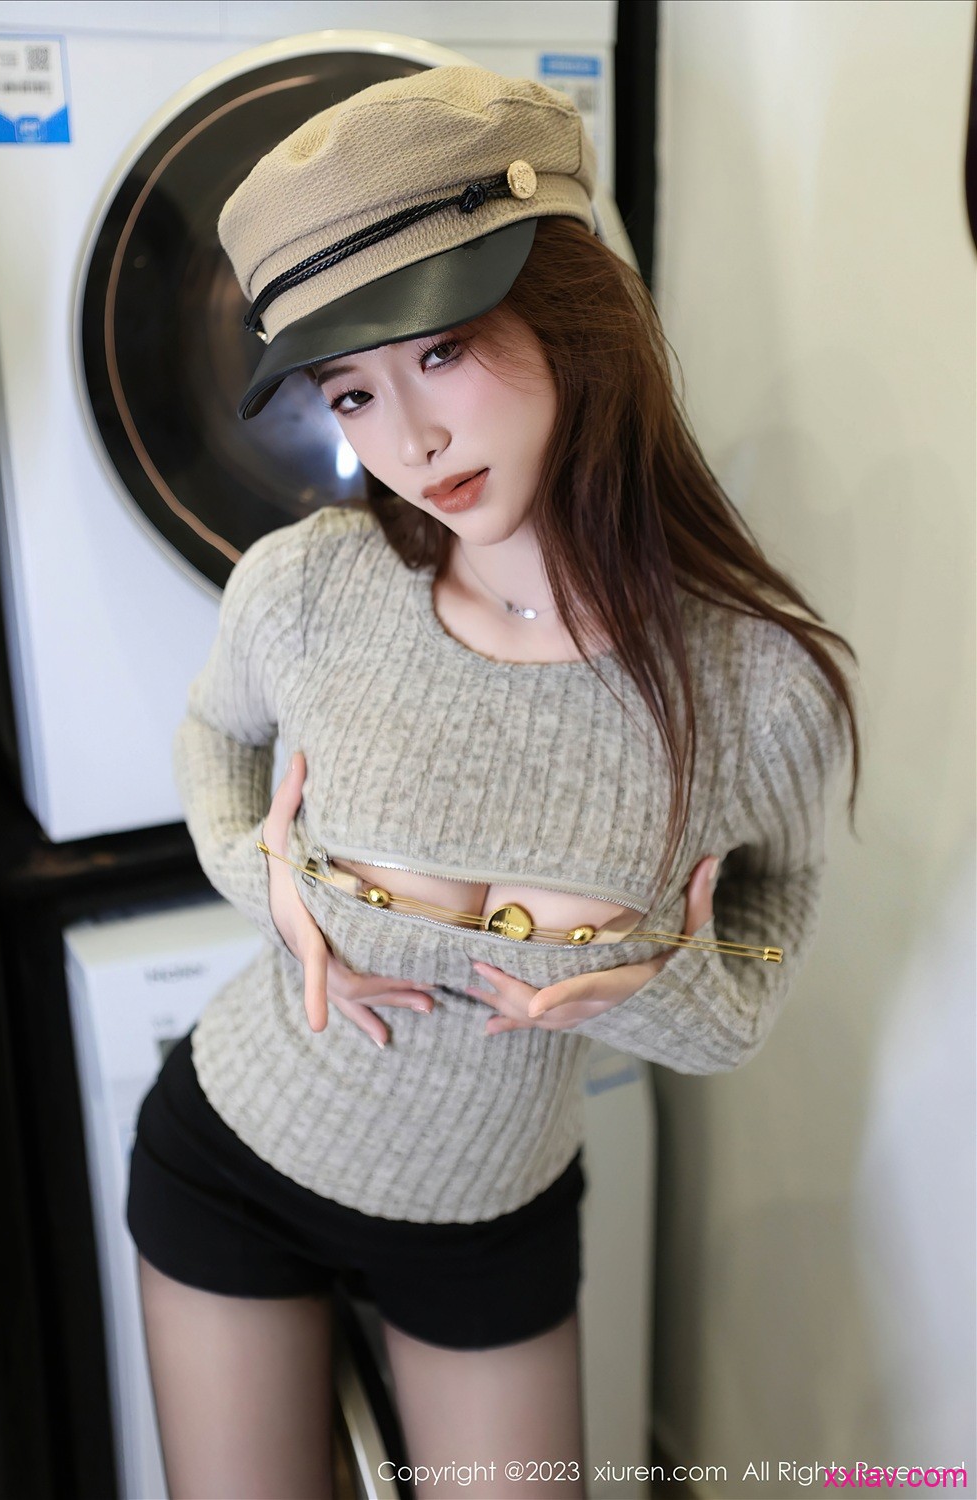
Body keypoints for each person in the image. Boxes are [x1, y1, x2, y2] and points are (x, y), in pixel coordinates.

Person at [125, 66, 861, 1500]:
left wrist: (658, 981)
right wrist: (265, 883)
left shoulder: (752, 681)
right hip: (232, 1154)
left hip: (489, 1216)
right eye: (353, 391)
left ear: (574, 314)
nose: (408, 440)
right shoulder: (311, 586)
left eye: (445, 350)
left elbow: (768, 931)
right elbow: (214, 742)